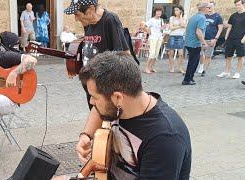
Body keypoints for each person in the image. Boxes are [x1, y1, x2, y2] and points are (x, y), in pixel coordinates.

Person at [54, 51, 191, 179]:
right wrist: (86, 135)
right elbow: (98, 110)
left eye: (94, 97)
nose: (91, 102)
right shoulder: (127, 102)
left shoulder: (164, 140)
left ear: (118, 97)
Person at [64, 0, 137, 167]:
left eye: (77, 14)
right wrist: (75, 65)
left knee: (110, 126)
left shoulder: (110, 20)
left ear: (90, 9)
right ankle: (101, 159)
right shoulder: (89, 23)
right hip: (94, 89)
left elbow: (122, 56)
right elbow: (89, 50)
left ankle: (110, 162)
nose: (76, 18)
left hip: (107, 88)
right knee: (99, 124)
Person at [182, 2, 209, 85]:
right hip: (194, 43)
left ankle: (190, 78)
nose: (209, 9)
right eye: (208, 7)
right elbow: (198, 32)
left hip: (189, 42)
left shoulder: (194, 16)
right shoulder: (202, 18)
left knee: (194, 61)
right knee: (193, 62)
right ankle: (187, 79)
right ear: (204, 8)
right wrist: (204, 43)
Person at [217, 0, 245, 79]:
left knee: (240, 56)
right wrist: (226, 36)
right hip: (231, 38)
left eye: (239, 5)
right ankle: (226, 72)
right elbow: (230, 26)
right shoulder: (233, 15)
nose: (237, 7)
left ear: (243, 4)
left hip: (241, 39)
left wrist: (244, 38)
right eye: (236, 5)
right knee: (228, 55)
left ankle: (237, 73)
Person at [198, 1, 223, 77]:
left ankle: (204, 70)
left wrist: (215, 39)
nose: (209, 8)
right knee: (200, 54)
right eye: (208, 6)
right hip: (202, 38)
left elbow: (220, 29)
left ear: (214, 6)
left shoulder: (217, 16)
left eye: (211, 6)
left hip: (211, 39)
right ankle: (201, 65)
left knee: (208, 55)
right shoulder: (204, 15)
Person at [144, 6, 166, 74]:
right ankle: (147, 68)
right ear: (155, 12)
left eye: (160, 11)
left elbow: (161, 29)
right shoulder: (151, 20)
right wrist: (149, 32)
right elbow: (145, 26)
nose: (159, 13)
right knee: (152, 53)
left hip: (159, 37)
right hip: (153, 38)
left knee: (156, 54)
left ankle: (152, 67)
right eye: (157, 11)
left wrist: (163, 28)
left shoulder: (161, 20)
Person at [167, 5, 187, 74]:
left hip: (180, 36)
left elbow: (184, 25)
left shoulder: (184, 17)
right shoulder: (172, 18)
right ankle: (172, 67)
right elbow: (171, 28)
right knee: (171, 53)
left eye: (177, 10)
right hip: (172, 36)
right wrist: (179, 26)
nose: (175, 11)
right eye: (175, 10)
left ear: (181, 11)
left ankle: (180, 67)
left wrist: (181, 17)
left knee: (181, 54)